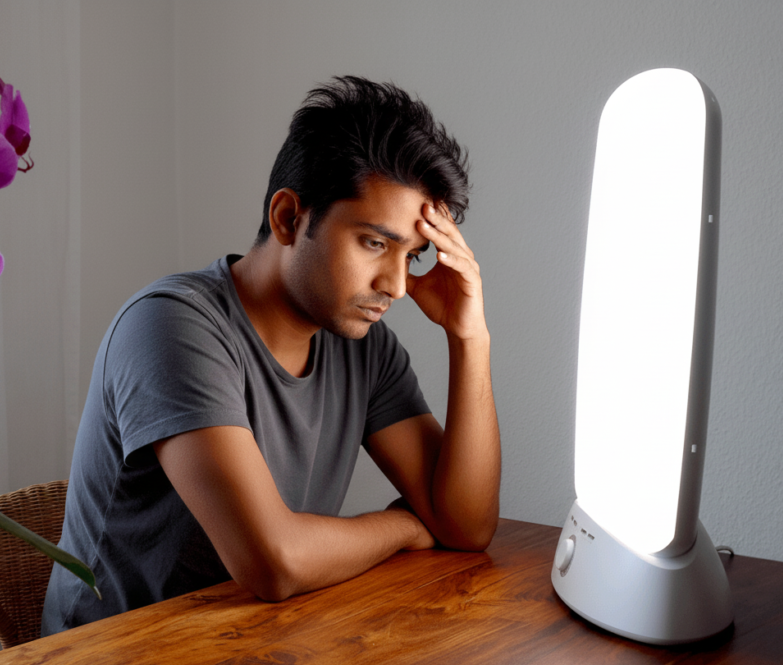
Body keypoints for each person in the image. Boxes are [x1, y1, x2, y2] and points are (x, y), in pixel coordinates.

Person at [41, 76, 500, 634]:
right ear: (288, 218)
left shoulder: (364, 347)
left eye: (414, 254)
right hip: (109, 663)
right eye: (375, 243)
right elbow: (274, 562)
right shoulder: (171, 326)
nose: (397, 285)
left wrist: (469, 337)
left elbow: (466, 525)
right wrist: (402, 526)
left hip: (255, 648)